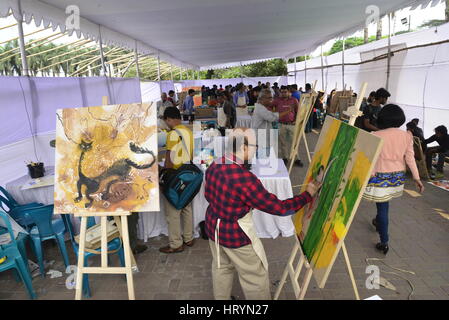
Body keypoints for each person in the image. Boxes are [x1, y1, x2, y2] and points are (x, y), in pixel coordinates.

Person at [204, 128, 321, 300]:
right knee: (254, 277)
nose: (256, 149)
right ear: (243, 147)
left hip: (213, 227)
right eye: (254, 145)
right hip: (236, 235)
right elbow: (280, 208)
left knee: (221, 267)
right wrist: (307, 195)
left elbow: (208, 195)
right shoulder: (244, 178)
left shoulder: (215, 164)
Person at [363, 104, 424, 255]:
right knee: (384, 205)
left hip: (378, 177)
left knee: (382, 208)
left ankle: (384, 241)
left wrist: (368, 174)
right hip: (396, 178)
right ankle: (378, 223)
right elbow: (410, 159)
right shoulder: (407, 136)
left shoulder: (375, 135)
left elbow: (368, 159)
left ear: (382, 118)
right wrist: (417, 178)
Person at [159, 107, 195, 253]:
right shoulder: (188, 131)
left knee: (173, 212)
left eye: (166, 121)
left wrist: (164, 172)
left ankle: (175, 244)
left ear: (169, 119)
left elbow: (170, 159)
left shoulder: (172, 134)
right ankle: (189, 238)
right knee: (186, 207)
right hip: (187, 174)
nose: (166, 124)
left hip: (175, 176)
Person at [272, 86, 303, 167]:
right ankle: (285, 158)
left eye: (285, 92)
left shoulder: (294, 100)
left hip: (291, 125)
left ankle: (296, 159)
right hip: (281, 124)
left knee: (293, 143)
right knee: (283, 143)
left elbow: (299, 111)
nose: (283, 93)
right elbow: (270, 106)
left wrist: (296, 120)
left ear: (289, 92)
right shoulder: (277, 100)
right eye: (282, 92)